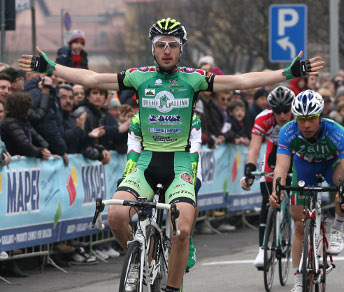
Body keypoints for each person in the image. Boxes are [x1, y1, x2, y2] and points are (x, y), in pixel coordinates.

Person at [18, 17, 324, 292]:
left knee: (182, 229)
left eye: (173, 45)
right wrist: (51, 68)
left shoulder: (193, 78)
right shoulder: (140, 76)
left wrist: (287, 72)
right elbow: (93, 80)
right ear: (153, 49)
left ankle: (172, 288)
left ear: (181, 49)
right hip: (147, 161)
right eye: (160, 45)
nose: (166, 50)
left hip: (180, 164)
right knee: (115, 215)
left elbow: (242, 81)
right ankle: (138, 258)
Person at [269, 90, 344, 292]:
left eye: (311, 119)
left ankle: (337, 228)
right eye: (301, 119)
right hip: (305, 167)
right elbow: (282, 166)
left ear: (320, 116)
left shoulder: (336, 131)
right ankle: (299, 281)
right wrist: (278, 188)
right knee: (299, 223)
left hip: (332, 164)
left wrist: (341, 189)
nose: (307, 125)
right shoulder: (288, 131)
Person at [240, 86, 295, 268]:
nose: (282, 115)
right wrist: (249, 171)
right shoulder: (263, 118)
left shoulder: (299, 118)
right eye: (277, 111)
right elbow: (255, 149)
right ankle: (263, 249)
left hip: (296, 151)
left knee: (298, 193)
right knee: (266, 199)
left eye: (286, 110)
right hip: (274, 151)